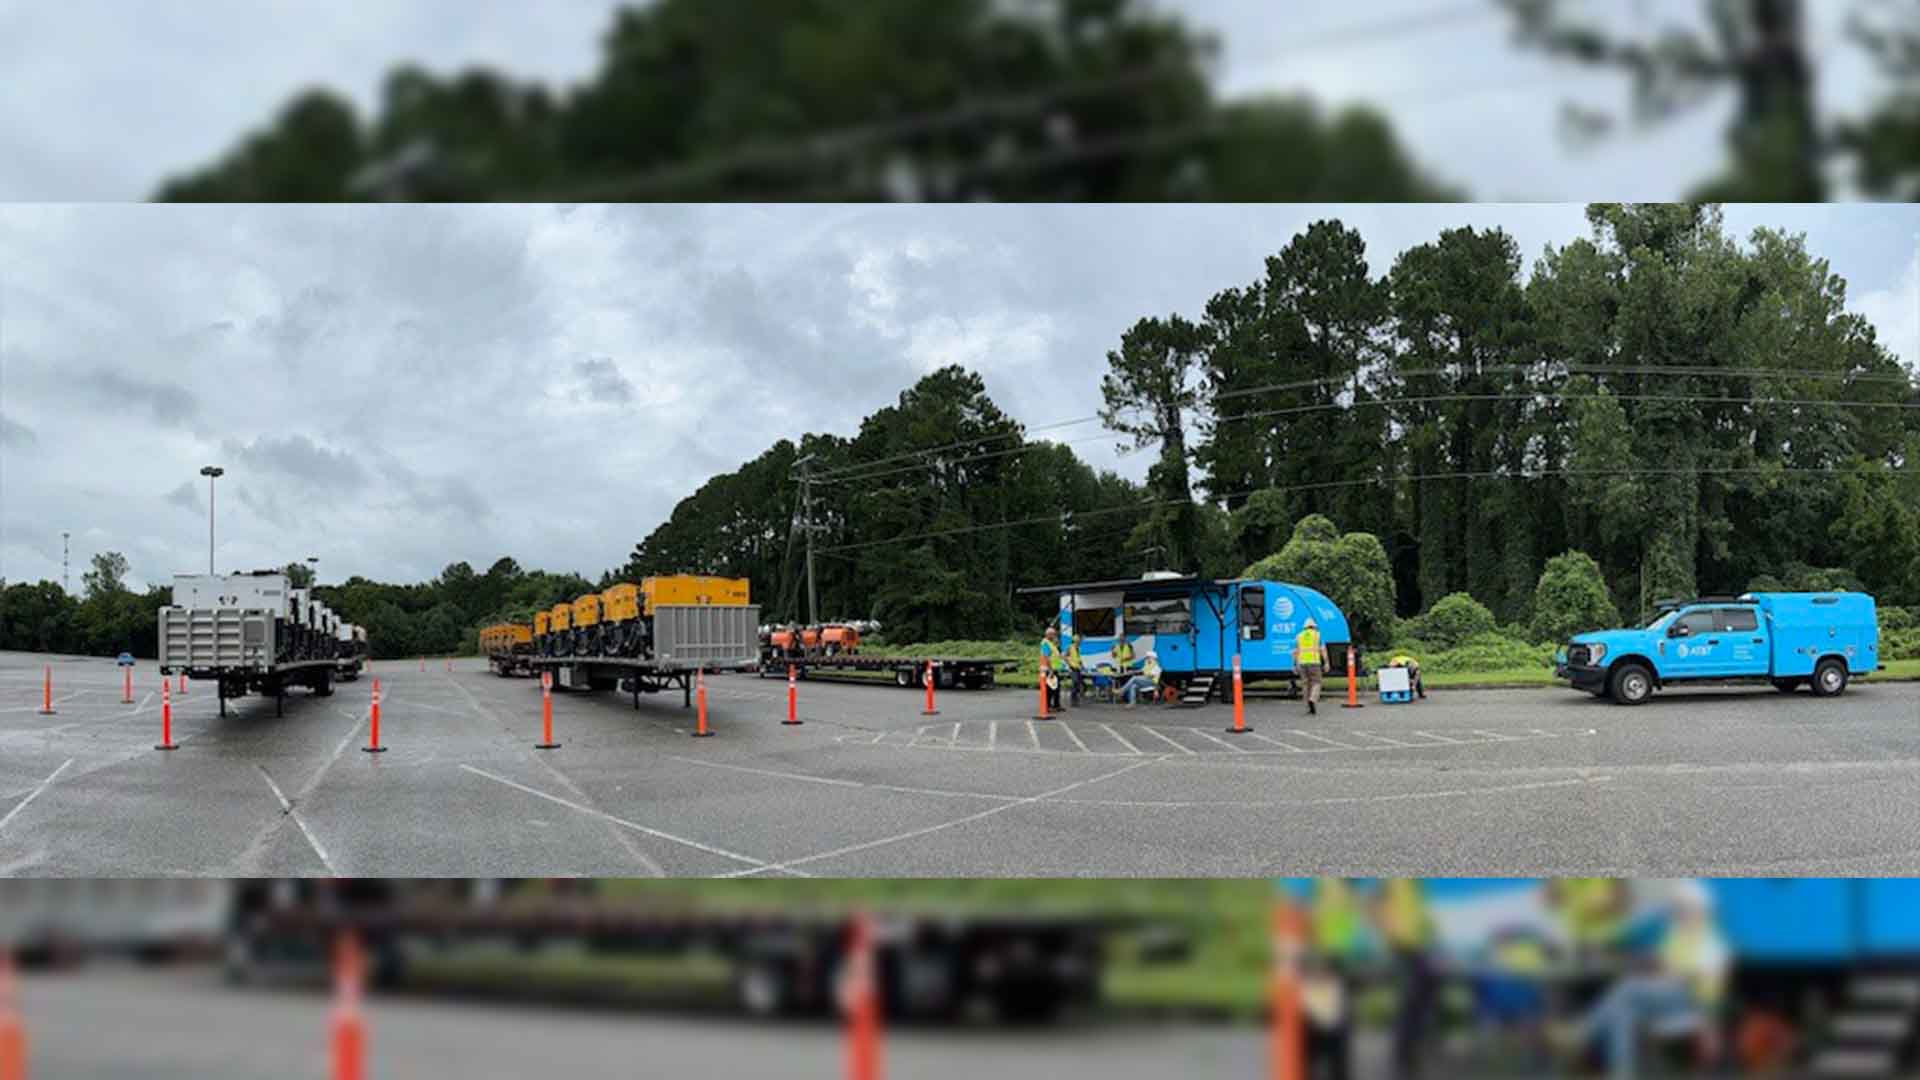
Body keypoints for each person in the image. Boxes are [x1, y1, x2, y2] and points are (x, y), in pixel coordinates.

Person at [1562, 882, 1729, 1080]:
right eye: (1679, 908)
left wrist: (1709, 1027)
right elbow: (1661, 962)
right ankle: (1622, 1073)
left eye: (1685, 908)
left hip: (1688, 1000)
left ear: (1701, 910)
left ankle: (1582, 1033)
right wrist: (1647, 965)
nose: (1680, 913)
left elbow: (1707, 985)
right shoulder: (1677, 935)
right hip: (1661, 995)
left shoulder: (1712, 942)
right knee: (1623, 1010)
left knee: (1628, 987)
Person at [1378, 878, 1437, 1080]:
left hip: (1418, 949)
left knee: (1421, 999)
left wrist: (1430, 935)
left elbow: (1420, 916)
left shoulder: (1416, 884)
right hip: (1403, 948)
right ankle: (1403, 1059)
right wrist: (1392, 936)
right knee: (1410, 1002)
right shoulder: (1396, 882)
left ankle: (1412, 1054)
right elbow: (1383, 910)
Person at [1295, 616, 1332, 715]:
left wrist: (1294, 665)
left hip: (1302, 663)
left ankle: (1308, 707)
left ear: (1305, 627)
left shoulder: (1299, 636)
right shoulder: (1317, 635)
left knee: (1305, 685)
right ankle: (1312, 699)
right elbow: (1323, 650)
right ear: (1314, 626)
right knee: (1316, 682)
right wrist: (1327, 662)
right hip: (1314, 662)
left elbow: (1296, 651)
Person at [1039, 625, 1065, 711]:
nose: (1054, 636)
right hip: (1049, 669)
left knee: (1056, 688)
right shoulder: (1045, 643)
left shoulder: (1051, 643)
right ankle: (1048, 706)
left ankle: (1056, 705)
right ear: (1048, 634)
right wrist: (1050, 670)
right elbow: (1046, 657)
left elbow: (1056, 655)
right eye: (1053, 634)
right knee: (1050, 689)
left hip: (1054, 669)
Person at [1065, 630, 1085, 706]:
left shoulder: (1078, 648)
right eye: (1079, 641)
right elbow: (1065, 656)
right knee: (1075, 683)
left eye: (1080, 641)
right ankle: (1073, 700)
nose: (1080, 642)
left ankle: (1076, 699)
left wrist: (1082, 665)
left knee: (1079, 684)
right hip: (1072, 668)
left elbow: (1078, 659)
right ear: (1076, 641)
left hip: (1078, 668)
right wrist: (1069, 664)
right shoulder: (1070, 647)